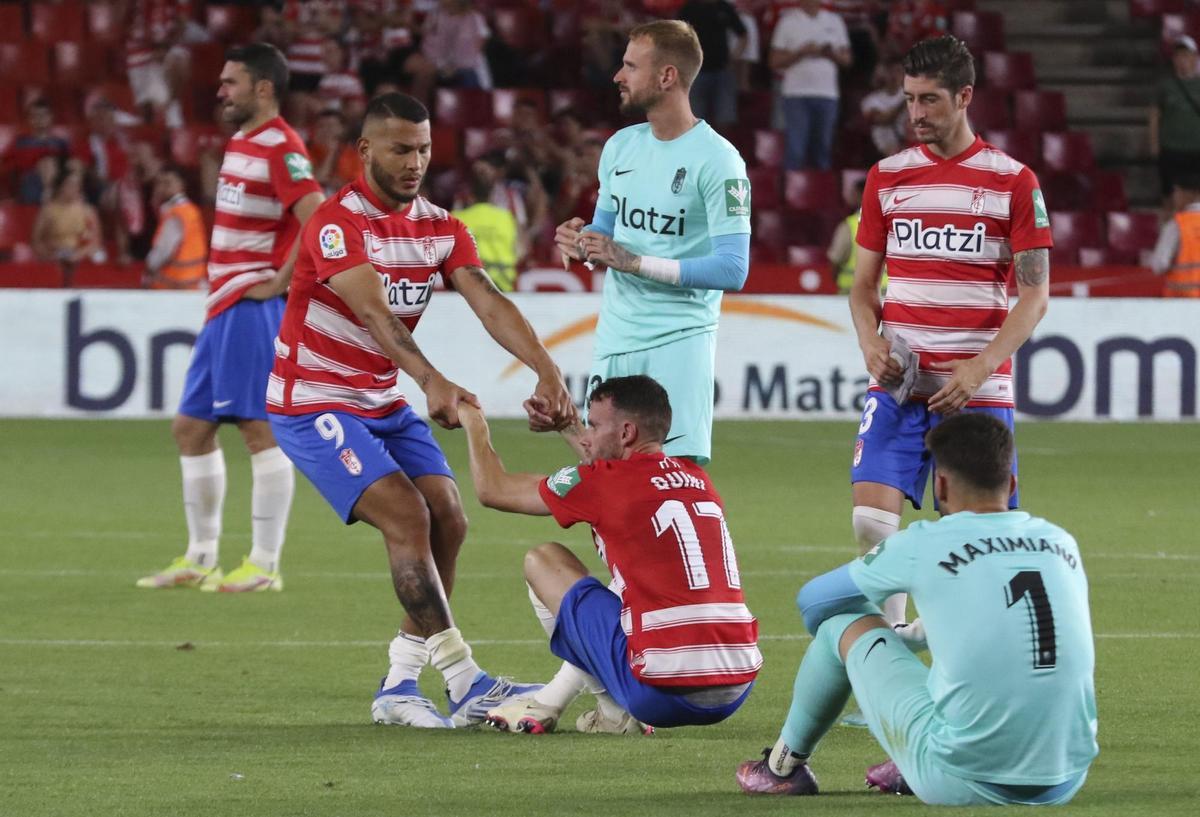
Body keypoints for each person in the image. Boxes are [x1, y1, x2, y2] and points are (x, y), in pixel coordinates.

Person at [265, 92, 575, 728]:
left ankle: (400, 684)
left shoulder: (439, 226)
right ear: (366, 150)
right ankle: (464, 679)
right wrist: (432, 380)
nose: (415, 162)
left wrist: (547, 368)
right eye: (402, 149)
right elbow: (376, 314)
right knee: (407, 515)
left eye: (425, 149)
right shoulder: (335, 221)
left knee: (451, 518)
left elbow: (487, 299)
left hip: (380, 399)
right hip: (314, 399)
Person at [736, 413, 1098, 805]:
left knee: (841, 623)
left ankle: (781, 769)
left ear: (939, 485)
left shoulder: (926, 542)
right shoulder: (1060, 541)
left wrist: (885, 638)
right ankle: (914, 753)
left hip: (959, 779)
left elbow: (815, 600)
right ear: (1011, 483)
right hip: (1066, 778)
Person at [846, 35, 1052, 627]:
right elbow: (863, 288)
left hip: (977, 392)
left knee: (979, 548)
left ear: (964, 97)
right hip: (901, 385)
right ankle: (889, 661)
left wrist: (980, 366)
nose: (915, 114)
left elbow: (1035, 295)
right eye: (909, 99)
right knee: (871, 522)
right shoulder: (886, 179)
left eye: (930, 100)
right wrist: (870, 342)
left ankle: (972, 661)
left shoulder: (1013, 181)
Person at [458, 375, 762, 734]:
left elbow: (493, 489)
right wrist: (567, 425)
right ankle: (567, 705)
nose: (586, 436)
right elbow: (610, 469)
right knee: (629, 587)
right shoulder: (697, 478)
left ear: (627, 432)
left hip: (658, 696)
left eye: (595, 425)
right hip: (736, 685)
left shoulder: (601, 482)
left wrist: (473, 420)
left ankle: (606, 709)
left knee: (545, 561)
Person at [137, 43, 325, 593]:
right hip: (223, 305)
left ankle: (264, 564)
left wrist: (282, 280)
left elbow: (317, 216)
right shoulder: (242, 142)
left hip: (250, 306)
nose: (220, 91)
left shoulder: (282, 147)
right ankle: (200, 556)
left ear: (263, 88)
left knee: (258, 429)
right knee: (191, 428)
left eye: (231, 82)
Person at [554, 20, 752, 465]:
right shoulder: (620, 147)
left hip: (678, 341)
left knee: (672, 482)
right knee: (602, 478)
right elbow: (604, 236)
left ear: (667, 76)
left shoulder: (719, 161)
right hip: (614, 337)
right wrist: (580, 241)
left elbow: (733, 268)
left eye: (629, 66)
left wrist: (636, 262)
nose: (617, 76)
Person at [769, 0, 852, 170]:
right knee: (795, 150)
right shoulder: (788, 21)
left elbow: (847, 60)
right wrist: (801, 52)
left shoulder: (834, 20)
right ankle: (791, 192)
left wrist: (830, 53)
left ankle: (821, 193)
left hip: (827, 94)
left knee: (822, 149)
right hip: (796, 94)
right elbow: (774, 61)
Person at [677, 0, 748, 129]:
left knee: (725, 118)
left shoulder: (725, 7)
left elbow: (742, 34)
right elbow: (676, 36)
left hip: (722, 69)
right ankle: (698, 148)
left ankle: (721, 147)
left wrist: (735, 57)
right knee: (694, 119)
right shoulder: (689, 8)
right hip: (696, 72)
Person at [453, 164, 522, 291]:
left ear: (470, 196)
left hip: (468, 288)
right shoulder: (506, 218)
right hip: (502, 285)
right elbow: (520, 251)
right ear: (491, 196)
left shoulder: (456, 219)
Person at [1150, 35, 1200, 208]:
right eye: (1179, 56)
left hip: (1196, 149)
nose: (1182, 60)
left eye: (1186, 55)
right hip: (1171, 149)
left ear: (1195, 58)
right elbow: (1155, 114)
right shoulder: (1165, 86)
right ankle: (1169, 232)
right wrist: (1154, 143)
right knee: (1169, 196)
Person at [144, 166, 208, 289]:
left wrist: (149, 266)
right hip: (193, 283)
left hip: (172, 285)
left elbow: (163, 250)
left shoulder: (176, 213)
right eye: (160, 183)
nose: (163, 188)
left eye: (168, 183)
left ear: (181, 185)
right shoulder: (191, 210)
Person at [31, 168, 104, 266]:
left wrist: (78, 255)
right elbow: (37, 240)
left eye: (77, 185)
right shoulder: (48, 210)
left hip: (82, 254)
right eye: (70, 185)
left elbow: (95, 241)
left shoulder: (88, 211)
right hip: (55, 253)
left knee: (99, 256)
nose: (74, 188)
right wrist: (50, 255)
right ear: (61, 187)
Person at [1149, 173, 1200, 298]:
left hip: (1181, 303)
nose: (1174, 197)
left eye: (1177, 192)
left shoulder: (1177, 225)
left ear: (1189, 194)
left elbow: (1159, 264)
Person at [826, 178, 865, 294]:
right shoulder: (891, 223)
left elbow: (835, 262)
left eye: (854, 193)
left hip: (851, 295)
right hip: (887, 295)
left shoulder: (849, 226)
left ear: (859, 195)